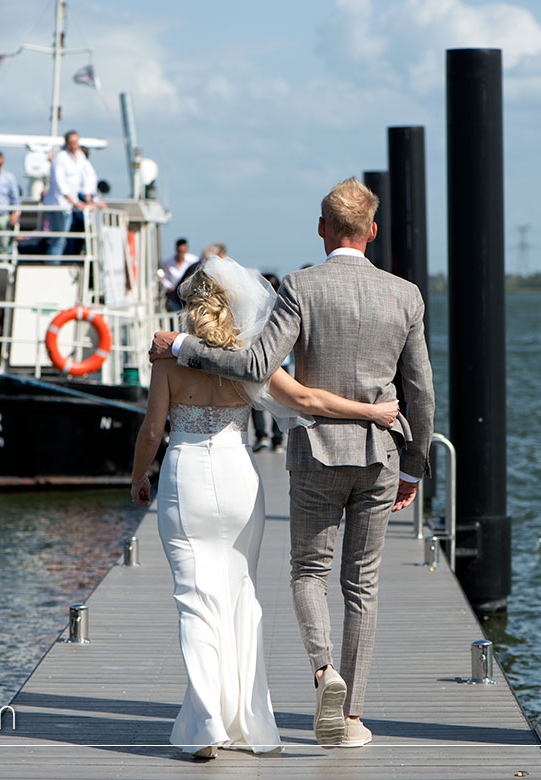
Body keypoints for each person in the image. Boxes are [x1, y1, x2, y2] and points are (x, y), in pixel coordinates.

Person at [149, 177, 435, 749]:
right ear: (372, 232)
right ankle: (350, 716)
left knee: (310, 571)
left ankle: (323, 671)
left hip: (316, 453)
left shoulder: (300, 287)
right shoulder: (406, 295)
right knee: (364, 583)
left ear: (323, 228)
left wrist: (181, 348)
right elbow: (421, 390)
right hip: (381, 455)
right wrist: (414, 464)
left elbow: (256, 365)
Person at [131, 259, 398, 760]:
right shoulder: (250, 360)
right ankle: (247, 721)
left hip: (185, 478)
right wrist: (371, 412)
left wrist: (138, 476)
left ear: (190, 305)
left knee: (195, 600)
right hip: (238, 483)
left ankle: (206, 722)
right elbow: (309, 399)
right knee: (239, 597)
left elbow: (151, 433)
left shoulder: (167, 361)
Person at [42, 130, 104, 256]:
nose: (73, 146)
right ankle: (53, 266)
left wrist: (90, 198)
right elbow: (60, 184)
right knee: (59, 239)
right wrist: (74, 202)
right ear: (66, 143)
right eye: (71, 143)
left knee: (65, 239)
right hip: (58, 205)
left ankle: (62, 262)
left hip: (70, 206)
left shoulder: (80, 157)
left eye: (75, 143)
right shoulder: (60, 158)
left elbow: (88, 177)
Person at [251, 273, 284, 452]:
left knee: (257, 397)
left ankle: (261, 434)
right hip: (281, 361)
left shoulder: (256, 307)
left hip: (260, 358)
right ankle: (277, 440)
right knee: (279, 400)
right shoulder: (284, 305)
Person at [161, 238, 198, 311]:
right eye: (179, 251)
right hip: (174, 295)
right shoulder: (167, 263)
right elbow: (163, 277)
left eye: (183, 251)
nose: (181, 253)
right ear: (176, 249)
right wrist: (168, 286)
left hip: (189, 295)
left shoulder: (193, 260)